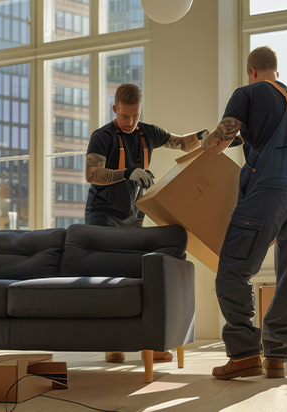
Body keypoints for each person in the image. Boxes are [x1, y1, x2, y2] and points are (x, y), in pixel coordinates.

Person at [201, 46, 287, 380]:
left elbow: (217, 143)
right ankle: (277, 356)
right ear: (276, 72)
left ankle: (243, 354)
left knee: (233, 269)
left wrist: (203, 141)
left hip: (272, 185)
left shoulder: (247, 93)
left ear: (251, 70)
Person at [85, 83, 207, 363]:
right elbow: (92, 174)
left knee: (138, 278)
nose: (130, 122)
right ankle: (113, 343)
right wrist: (128, 172)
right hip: (103, 216)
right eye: (125, 116)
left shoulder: (146, 132)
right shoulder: (102, 137)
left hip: (133, 216)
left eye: (135, 116)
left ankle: (148, 344)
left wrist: (203, 136)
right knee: (109, 280)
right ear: (115, 109)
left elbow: (179, 141)